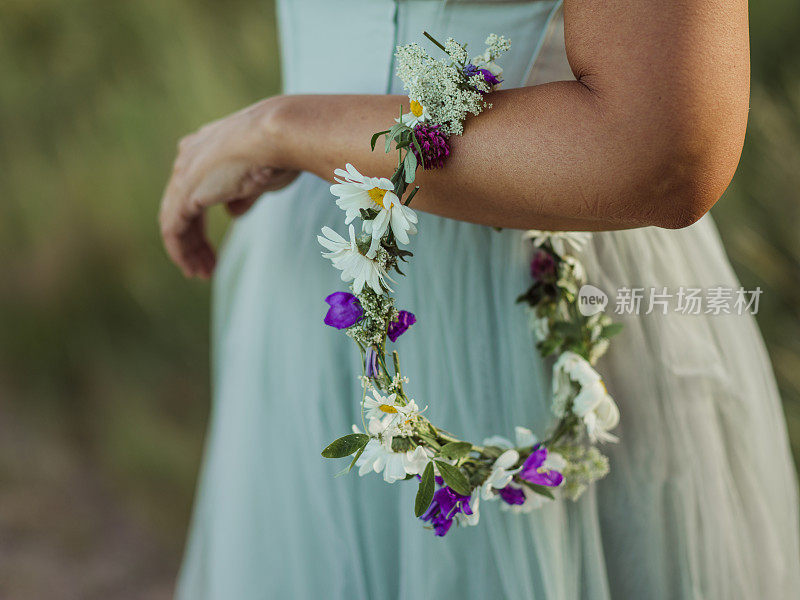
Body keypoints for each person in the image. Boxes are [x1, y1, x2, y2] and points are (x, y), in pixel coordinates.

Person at [159, 0, 800, 598]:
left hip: (534, 311)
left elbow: (662, 151)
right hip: (312, 303)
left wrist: (284, 127)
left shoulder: (283, 130)